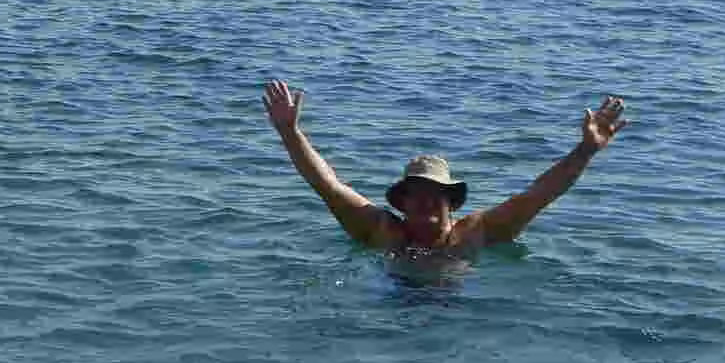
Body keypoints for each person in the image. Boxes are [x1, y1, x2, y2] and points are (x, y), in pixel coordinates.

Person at [262, 78, 626, 251]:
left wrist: (586, 150)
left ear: (451, 202)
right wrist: (290, 133)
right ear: (402, 203)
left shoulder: (478, 232)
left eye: (435, 193)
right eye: (416, 193)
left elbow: (540, 194)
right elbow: (326, 184)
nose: (425, 201)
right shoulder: (379, 230)